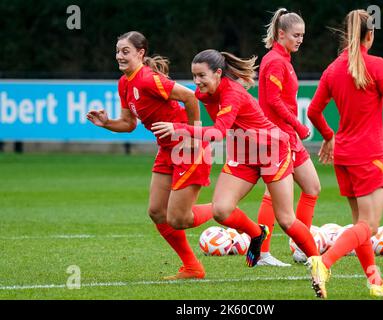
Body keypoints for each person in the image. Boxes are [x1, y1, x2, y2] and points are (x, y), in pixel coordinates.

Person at [151, 49, 319, 269]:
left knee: (286, 220)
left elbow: (219, 132)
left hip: (272, 151)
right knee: (221, 210)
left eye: (202, 76)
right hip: (243, 154)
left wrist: (179, 128)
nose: (197, 82)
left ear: (218, 73)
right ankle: (257, 234)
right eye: (194, 76)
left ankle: (319, 262)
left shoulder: (232, 93)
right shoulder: (203, 94)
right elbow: (184, 101)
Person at [306, 10, 383, 298]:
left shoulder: (332, 69)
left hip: (344, 157)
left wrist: (329, 137)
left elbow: (313, 111)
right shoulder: (376, 64)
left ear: (348, 35)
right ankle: (325, 262)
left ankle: (375, 282)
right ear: (369, 36)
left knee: (361, 225)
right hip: (369, 156)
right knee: (368, 226)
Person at [86, 31, 214, 280]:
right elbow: (128, 123)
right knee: (156, 211)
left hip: (187, 147)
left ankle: (222, 208)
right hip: (167, 149)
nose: (119, 56)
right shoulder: (124, 83)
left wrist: (193, 134)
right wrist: (106, 123)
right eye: (117, 51)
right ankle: (192, 267)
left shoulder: (148, 79)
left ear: (140, 54)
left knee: (178, 218)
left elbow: (190, 96)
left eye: (126, 51)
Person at [256, 8, 321, 267]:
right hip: (276, 136)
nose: (300, 40)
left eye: (303, 35)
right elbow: (272, 100)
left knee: (312, 187)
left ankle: (300, 248)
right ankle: (260, 254)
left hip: (287, 136)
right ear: (281, 34)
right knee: (272, 195)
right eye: (296, 35)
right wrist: (298, 125)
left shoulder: (283, 60)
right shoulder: (274, 61)